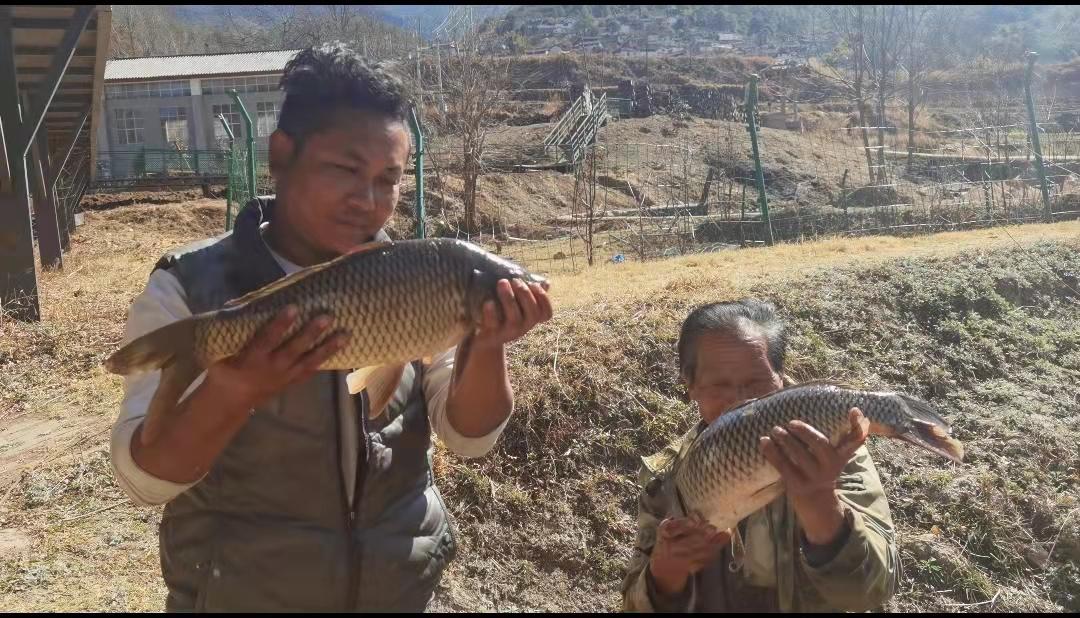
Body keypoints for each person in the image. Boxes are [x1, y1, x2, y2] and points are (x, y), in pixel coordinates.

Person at [108, 43, 552, 612]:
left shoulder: (422, 280)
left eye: (388, 179)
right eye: (345, 170)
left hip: (395, 591)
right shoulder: (187, 290)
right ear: (280, 154)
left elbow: (469, 438)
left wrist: (486, 343)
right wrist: (231, 390)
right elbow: (146, 480)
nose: (368, 202)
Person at [622, 299, 899, 612]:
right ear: (691, 385)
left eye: (757, 383)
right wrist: (665, 574)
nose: (741, 403)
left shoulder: (830, 452)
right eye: (719, 385)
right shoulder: (668, 479)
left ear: (780, 379)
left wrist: (822, 506)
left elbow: (874, 590)